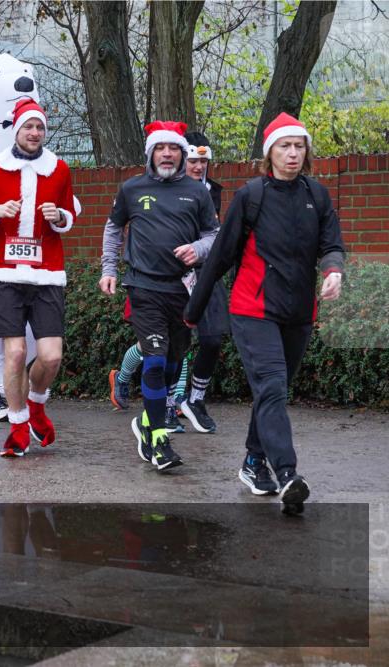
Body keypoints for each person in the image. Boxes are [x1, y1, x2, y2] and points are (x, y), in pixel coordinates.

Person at [184, 113, 345, 513]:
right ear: (269, 152)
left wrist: (333, 271)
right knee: (272, 386)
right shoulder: (251, 195)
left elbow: (332, 243)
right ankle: (287, 473)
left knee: (271, 393)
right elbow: (220, 256)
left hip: (298, 312)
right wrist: (193, 311)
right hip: (252, 309)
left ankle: (254, 461)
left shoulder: (317, 195)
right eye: (284, 146)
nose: (292, 153)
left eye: (298, 146)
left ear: (306, 152)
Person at [0, 98, 76, 458]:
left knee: (51, 357)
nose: (35, 133)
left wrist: (59, 216)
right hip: (5, 276)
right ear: (17, 129)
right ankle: (18, 425)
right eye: (29, 127)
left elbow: (71, 213)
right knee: (15, 354)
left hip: (47, 276)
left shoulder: (59, 169)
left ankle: (36, 403)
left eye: (40, 127)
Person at [99, 121, 218, 472]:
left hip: (182, 289)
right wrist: (109, 270)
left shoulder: (197, 192)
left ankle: (147, 423)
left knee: (172, 363)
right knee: (153, 360)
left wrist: (198, 249)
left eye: (174, 149)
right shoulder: (132, 188)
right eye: (161, 148)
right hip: (144, 286)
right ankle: (159, 437)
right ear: (151, 152)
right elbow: (112, 228)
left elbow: (215, 235)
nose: (167, 154)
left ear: (182, 153)